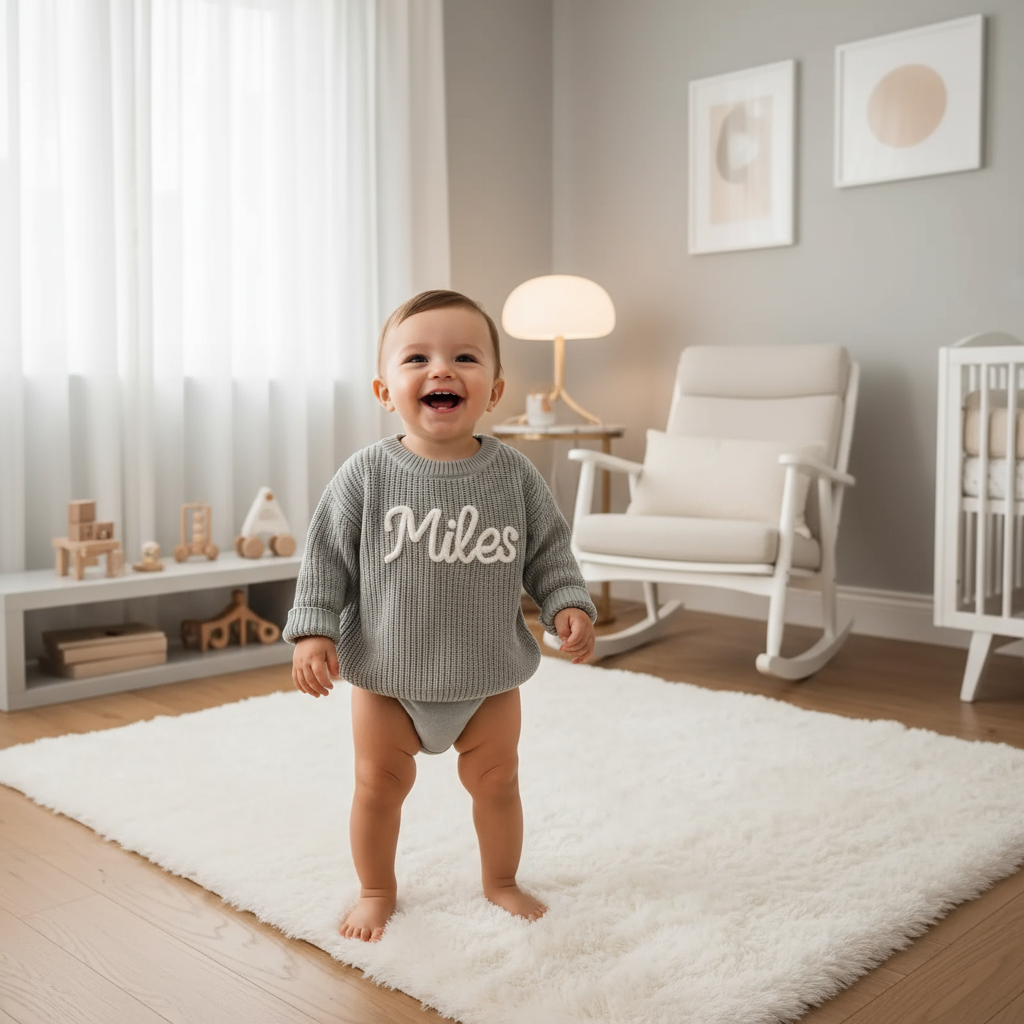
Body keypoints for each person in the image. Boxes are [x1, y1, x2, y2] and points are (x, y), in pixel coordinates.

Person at [284, 289, 597, 943]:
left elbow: (550, 554)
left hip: (488, 675)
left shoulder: (514, 476)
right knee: (378, 786)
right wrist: (313, 628)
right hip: (387, 677)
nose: (441, 370)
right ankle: (376, 888)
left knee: (499, 782)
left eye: (464, 356)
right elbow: (325, 562)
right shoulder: (365, 476)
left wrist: (567, 602)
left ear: (496, 388)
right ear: (384, 388)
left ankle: (501, 879)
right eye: (417, 357)